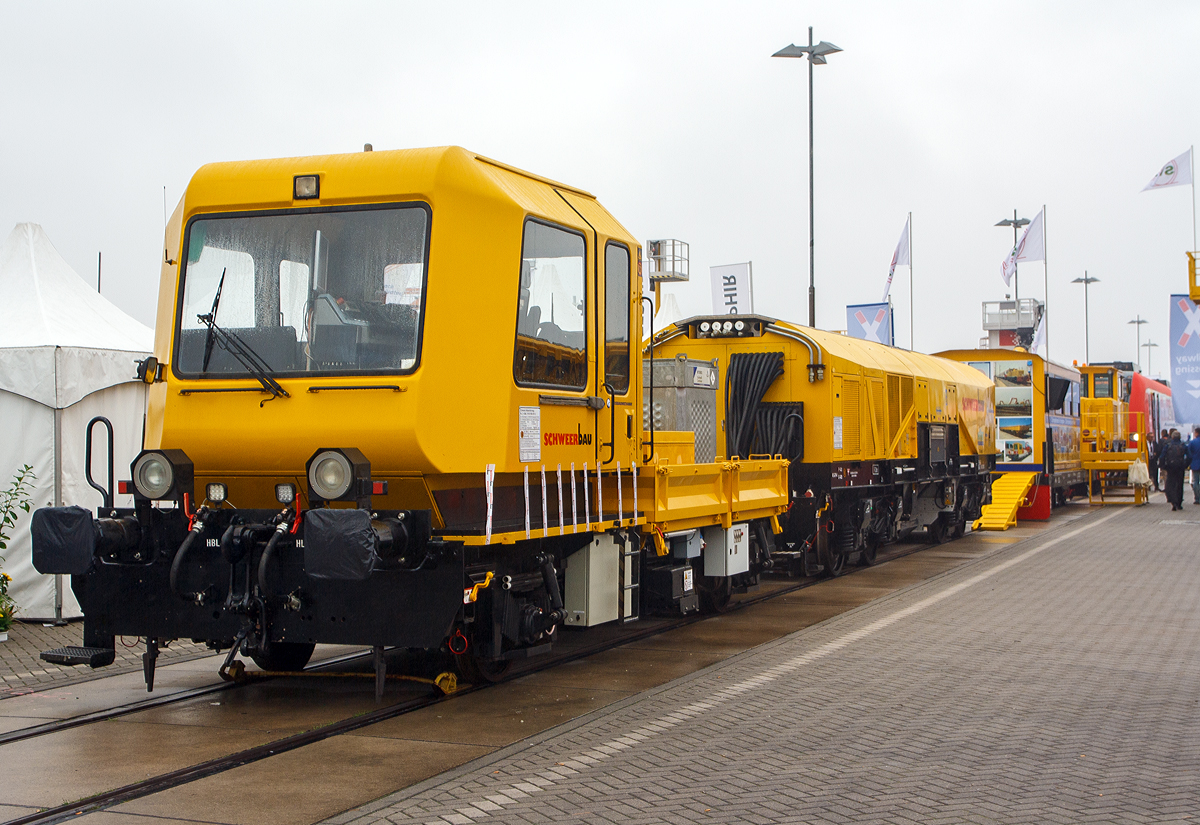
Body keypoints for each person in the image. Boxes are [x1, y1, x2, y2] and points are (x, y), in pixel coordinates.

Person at [1162, 429, 1189, 510]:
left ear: (1172, 437)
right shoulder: (1183, 445)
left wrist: (1164, 466)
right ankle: (1179, 503)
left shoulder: (1168, 445)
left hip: (1170, 467)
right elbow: (1189, 456)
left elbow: (1162, 456)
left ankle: (1173, 502)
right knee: (1180, 485)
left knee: (1171, 484)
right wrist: (1185, 465)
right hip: (1180, 467)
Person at [1189, 427, 1200, 504]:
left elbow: (1189, 454)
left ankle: (1197, 498)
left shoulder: (1192, 442)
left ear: (1196, 433)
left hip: (1195, 464)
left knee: (1196, 481)